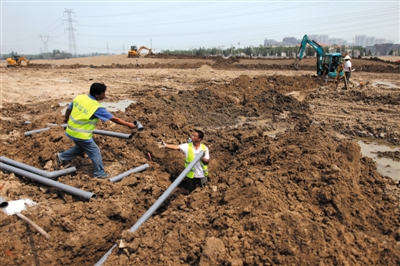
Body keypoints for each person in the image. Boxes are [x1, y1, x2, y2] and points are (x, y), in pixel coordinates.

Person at [55, 82, 136, 178]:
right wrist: (128, 124)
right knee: (95, 151)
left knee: (81, 147)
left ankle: (62, 157)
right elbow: (114, 119)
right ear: (96, 94)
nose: (105, 96)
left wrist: (66, 119)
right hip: (81, 134)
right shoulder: (96, 107)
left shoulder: (80, 97)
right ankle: (99, 173)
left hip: (70, 131)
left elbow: (69, 109)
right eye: (103, 94)